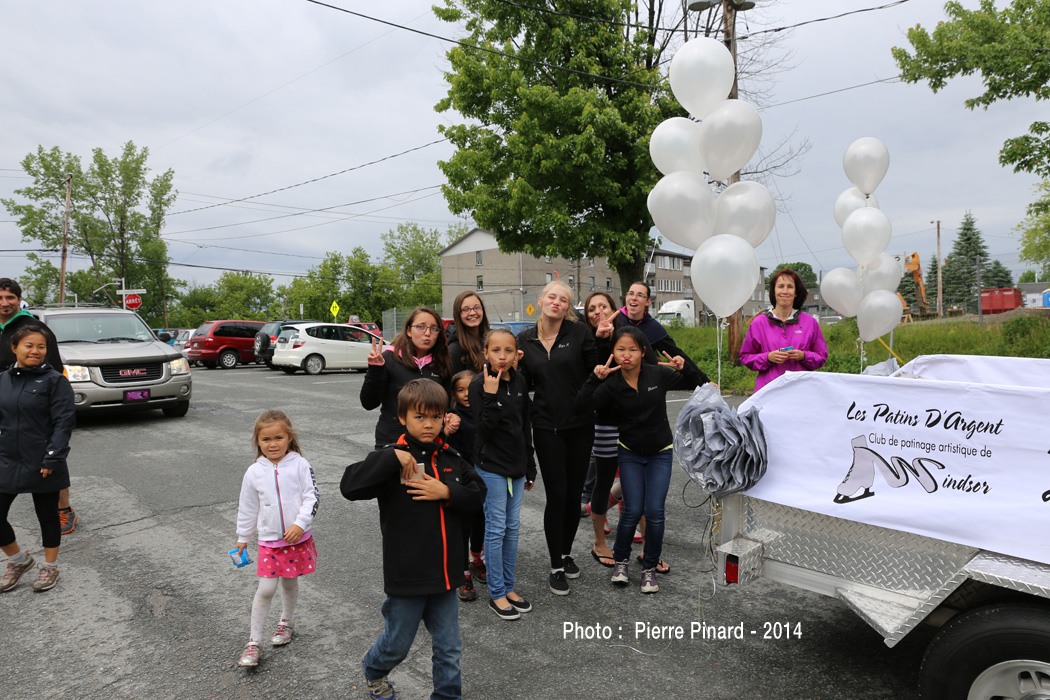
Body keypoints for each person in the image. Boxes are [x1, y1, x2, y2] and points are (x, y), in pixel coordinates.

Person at [341, 379, 486, 700]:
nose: (429, 424)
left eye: (436, 417)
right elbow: (349, 486)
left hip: (447, 576)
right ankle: (374, 669)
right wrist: (392, 456)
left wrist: (446, 491)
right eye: (419, 417)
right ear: (402, 418)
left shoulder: (452, 459)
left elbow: (478, 495)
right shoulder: (392, 459)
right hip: (407, 576)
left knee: (449, 649)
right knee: (397, 644)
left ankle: (447, 696)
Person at [580, 325, 703, 594]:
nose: (626, 355)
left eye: (632, 349)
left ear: (642, 352)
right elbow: (582, 405)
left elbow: (695, 383)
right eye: (620, 349)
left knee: (655, 513)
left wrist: (683, 367)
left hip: (660, 453)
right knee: (633, 510)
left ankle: (648, 569)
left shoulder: (658, 374)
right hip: (630, 453)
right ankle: (621, 563)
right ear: (613, 352)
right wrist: (594, 378)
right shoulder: (611, 384)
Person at [517, 280, 597, 596]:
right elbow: (522, 385)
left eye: (564, 299)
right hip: (547, 427)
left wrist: (585, 402)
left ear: (568, 307)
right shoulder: (525, 339)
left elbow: (595, 375)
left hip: (580, 426)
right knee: (558, 496)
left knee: (575, 495)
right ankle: (555, 567)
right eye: (552, 296)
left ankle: (564, 553)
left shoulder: (579, 334)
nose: (557, 302)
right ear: (540, 300)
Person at [233, 410, 319, 667]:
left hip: (296, 538)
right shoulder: (253, 472)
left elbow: (311, 497)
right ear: (257, 441)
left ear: (289, 437)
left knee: (290, 583)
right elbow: (248, 507)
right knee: (266, 589)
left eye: (278, 437)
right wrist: (242, 538)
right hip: (269, 542)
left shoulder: (300, 464)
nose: (273, 444)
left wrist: (299, 524)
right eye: (266, 439)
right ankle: (254, 641)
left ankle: (286, 623)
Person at [0, 325, 76, 593]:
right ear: (14, 348)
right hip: (7, 458)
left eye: (41, 347)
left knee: (47, 516)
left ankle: (50, 568)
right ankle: (19, 561)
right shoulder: (2, 380)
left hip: (44, 459)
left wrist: (52, 458)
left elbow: (63, 423)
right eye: (28, 345)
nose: (35, 351)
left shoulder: (55, 380)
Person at [0, 279, 77, 536]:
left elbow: (53, 367)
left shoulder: (33, 327)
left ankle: (63, 509)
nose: (4, 303)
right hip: (6, 402)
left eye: (9, 297)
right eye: (0, 298)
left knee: (50, 458)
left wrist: (53, 407)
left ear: (19, 300)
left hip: (36, 402)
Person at [469, 329, 537, 620]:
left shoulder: (520, 381)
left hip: (517, 468)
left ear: (516, 354)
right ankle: (497, 592)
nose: (502, 356)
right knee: (496, 529)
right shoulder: (478, 385)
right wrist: (491, 395)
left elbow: (524, 426)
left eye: (508, 350)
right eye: (496, 350)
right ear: (485, 353)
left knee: (513, 527)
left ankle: (509, 587)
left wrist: (530, 464)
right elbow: (483, 431)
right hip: (491, 468)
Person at [361, 306, 455, 450]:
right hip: (394, 443)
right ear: (409, 331)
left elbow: (446, 405)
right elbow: (369, 403)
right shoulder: (389, 358)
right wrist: (375, 369)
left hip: (430, 444)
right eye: (421, 327)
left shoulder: (442, 362)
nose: (428, 333)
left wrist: (452, 417)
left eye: (434, 329)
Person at [739, 268, 828, 392]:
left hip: (801, 391)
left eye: (790, 287)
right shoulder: (759, 323)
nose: (785, 291)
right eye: (780, 286)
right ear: (774, 291)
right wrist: (768, 357)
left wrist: (804, 356)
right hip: (768, 391)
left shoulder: (809, 322)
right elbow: (745, 357)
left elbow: (821, 356)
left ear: (796, 292)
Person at [580, 291, 619, 567]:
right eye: (592, 308)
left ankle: (647, 545)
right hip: (602, 420)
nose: (598, 312)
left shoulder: (626, 335)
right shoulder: (585, 341)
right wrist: (600, 341)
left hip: (631, 420)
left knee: (634, 481)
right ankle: (599, 539)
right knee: (602, 478)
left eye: (603, 306)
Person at [446, 369, 487, 602]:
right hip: (461, 479)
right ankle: (462, 573)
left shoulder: (485, 412)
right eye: (460, 390)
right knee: (461, 527)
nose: (466, 394)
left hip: (483, 476)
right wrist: (449, 428)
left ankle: (476, 558)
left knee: (480, 520)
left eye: (469, 389)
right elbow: (446, 446)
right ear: (453, 393)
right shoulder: (453, 416)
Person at [447, 291, 490, 374]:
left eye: (477, 307)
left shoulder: (491, 340)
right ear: (458, 314)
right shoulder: (455, 350)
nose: (472, 313)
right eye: (465, 309)